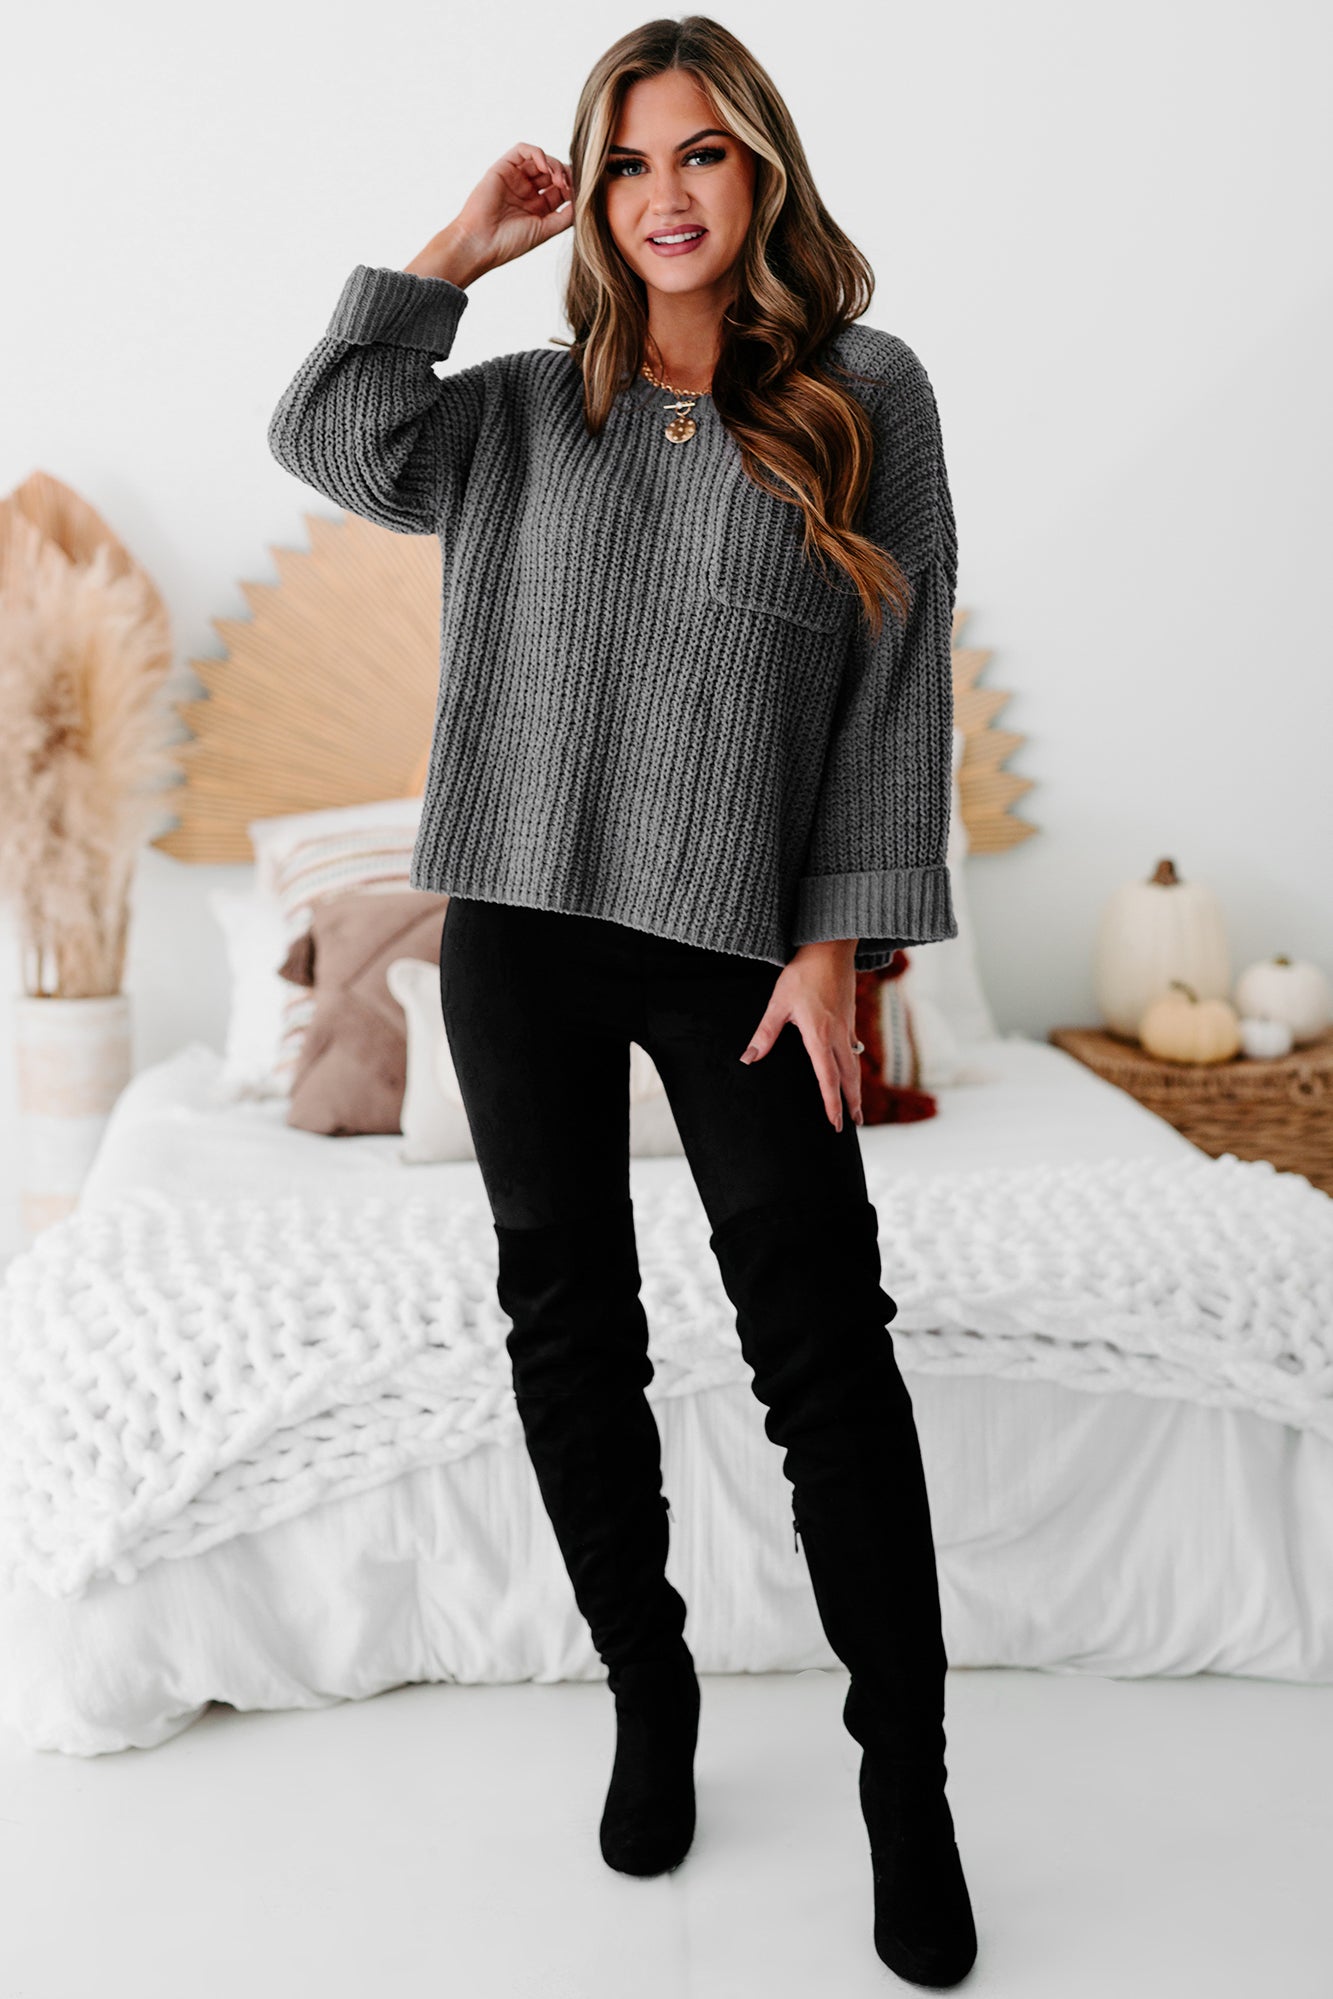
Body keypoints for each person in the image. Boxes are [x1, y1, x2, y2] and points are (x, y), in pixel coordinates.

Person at [268, 15, 976, 1987]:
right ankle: (645, 1696)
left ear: (762, 171)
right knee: (567, 1337)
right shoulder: (518, 410)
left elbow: (898, 675)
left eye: (705, 154)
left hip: (746, 952)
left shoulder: (863, 391)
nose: (669, 194)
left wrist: (838, 942)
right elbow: (324, 436)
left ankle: (905, 1782)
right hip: (518, 935)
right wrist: (452, 250)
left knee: (823, 1350)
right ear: (593, 193)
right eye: (632, 161)